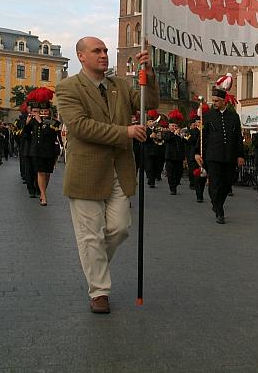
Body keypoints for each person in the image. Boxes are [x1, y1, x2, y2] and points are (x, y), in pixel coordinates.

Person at [55, 36, 159, 314]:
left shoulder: (121, 86)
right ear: (81, 56)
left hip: (120, 169)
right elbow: (80, 127)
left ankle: (95, 264)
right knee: (90, 236)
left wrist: (148, 72)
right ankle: (99, 291)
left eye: (104, 50)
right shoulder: (67, 87)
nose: (103, 55)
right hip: (87, 171)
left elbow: (149, 103)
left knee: (119, 227)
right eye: (96, 51)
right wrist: (124, 132)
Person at [195, 74, 244, 224]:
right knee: (215, 183)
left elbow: (238, 137)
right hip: (213, 156)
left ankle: (218, 204)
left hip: (229, 156)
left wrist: (240, 155)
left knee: (227, 183)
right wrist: (197, 152)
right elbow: (203, 136)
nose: (214, 103)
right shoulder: (208, 116)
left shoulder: (234, 117)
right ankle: (219, 210)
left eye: (217, 101)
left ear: (224, 101)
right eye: (213, 100)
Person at [27, 87, 62, 206]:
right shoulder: (34, 121)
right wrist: (28, 122)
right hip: (37, 151)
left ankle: (43, 191)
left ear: (49, 111)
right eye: (41, 111)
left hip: (50, 151)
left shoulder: (54, 122)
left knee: (47, 174)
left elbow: (50, 133)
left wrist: (41, 122)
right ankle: (43, 195)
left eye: (46, 111)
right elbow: (25, 134)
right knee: (41, 172)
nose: (43, 113)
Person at [163, 110, 186, 195]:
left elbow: (187, 141)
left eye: (175, 126)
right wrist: (173, 134)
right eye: (172, 126)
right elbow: (167, 138)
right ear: (169, 126)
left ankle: (175, 184)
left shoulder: (180, 133)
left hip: (179, 157)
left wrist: (182, 135)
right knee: (170, 174)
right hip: (170, 157)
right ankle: (172, 188)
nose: (174, 127)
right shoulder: (167, 133)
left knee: (179, 173)